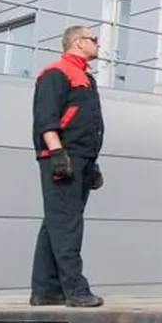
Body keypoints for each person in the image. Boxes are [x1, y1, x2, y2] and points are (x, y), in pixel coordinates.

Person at [30, 24, 106, 307]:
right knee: (67, 224)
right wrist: (58, 154)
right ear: (77, 43)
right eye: (93, 39)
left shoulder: (85, 77)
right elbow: (46, 118)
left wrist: (92, 162)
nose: (98, 44)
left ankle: (46, 290)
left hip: (82, 158)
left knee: (56, 222)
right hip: (63, 156)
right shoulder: (55, 73)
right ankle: (75, 290)